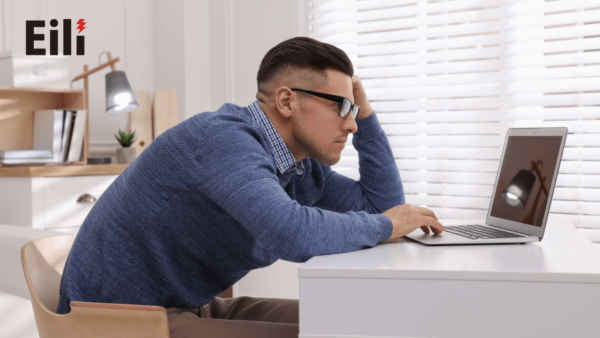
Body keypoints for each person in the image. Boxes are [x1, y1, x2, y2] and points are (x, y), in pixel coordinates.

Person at [57, 37, 444, 337]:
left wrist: (368, 113)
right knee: (332, 332)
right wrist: (387, 225)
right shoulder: (222, 139)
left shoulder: (299, 168)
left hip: (189, 307)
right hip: (122, 320)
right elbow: (289, 232)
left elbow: (383, 208)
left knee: (357, 323)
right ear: (287, 101)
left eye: (354, 110)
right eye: (341, 108)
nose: (352, 124)